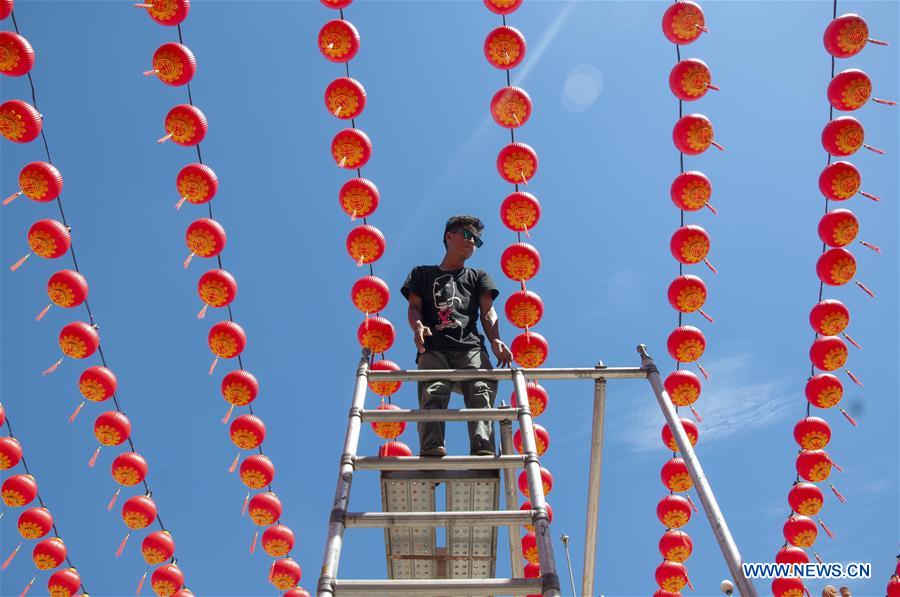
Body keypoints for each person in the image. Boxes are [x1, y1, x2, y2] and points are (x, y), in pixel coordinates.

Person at [400, 215, 513, 457]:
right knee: (433, 392)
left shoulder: (478, 276)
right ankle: (431, 450)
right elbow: (414, 307)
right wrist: (417, 326)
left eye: (477, 241)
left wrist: (495, 338)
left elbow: (488, 312)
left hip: (470, 347)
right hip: (433, 347)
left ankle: (482, 450)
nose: (472, 242)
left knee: (481, 390)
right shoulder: (421, 274)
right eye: (468, 235)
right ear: (449, 236)